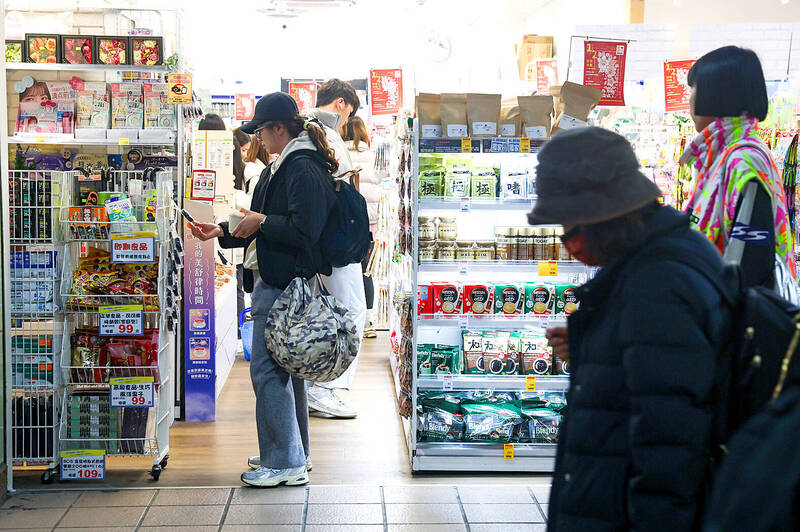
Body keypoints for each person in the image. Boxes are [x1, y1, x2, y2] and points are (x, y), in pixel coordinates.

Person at [532, 128, 731, 531]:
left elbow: (669, 445)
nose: (567, 236)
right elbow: (649, 377)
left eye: (570, 220)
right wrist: (594, 346)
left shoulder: (658, 284)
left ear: (600, 216)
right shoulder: (663, 258)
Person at [188, 92, 336, 487]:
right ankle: (292, 451)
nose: (258, 140)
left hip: (284, 282)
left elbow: (306, 230)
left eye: (262, 132)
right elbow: (260, 223)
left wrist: (263, 222)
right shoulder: (283, 166)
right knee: (288, 371)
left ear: (279, 128)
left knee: (268, 371)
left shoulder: (301, 168)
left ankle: (284, 460)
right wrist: (220, 230)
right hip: (277, 278)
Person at [681, 45, 797, 292]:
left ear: (715, 94)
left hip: (734, 320)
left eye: (693, 89)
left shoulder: (743, 160)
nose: (688, 100)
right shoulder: (724, 154)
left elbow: (751, 265)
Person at [305, 79, 368, 419]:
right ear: (341, 104)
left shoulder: (313, 130)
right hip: (335, 239)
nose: (347, 121)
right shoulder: (323, 134)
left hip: (324, 239)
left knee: (329, 311)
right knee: (353, 309)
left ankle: (319, 385)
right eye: (349, 114)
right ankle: (328, 388)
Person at [341, 115, 380, 338]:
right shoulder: (373, 156)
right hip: (369, 224)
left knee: (345, 270)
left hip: (346, 223)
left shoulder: (339, 154)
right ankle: (368, 322)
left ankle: (347, 319)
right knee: (366, 272)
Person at [231, 128, 251, 331]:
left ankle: (239, 330)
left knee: (237, 286)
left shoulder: (249, 170)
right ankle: (239, 330)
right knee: (237, 287)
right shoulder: (246, 170)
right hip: (238, 239)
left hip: (235, 238)